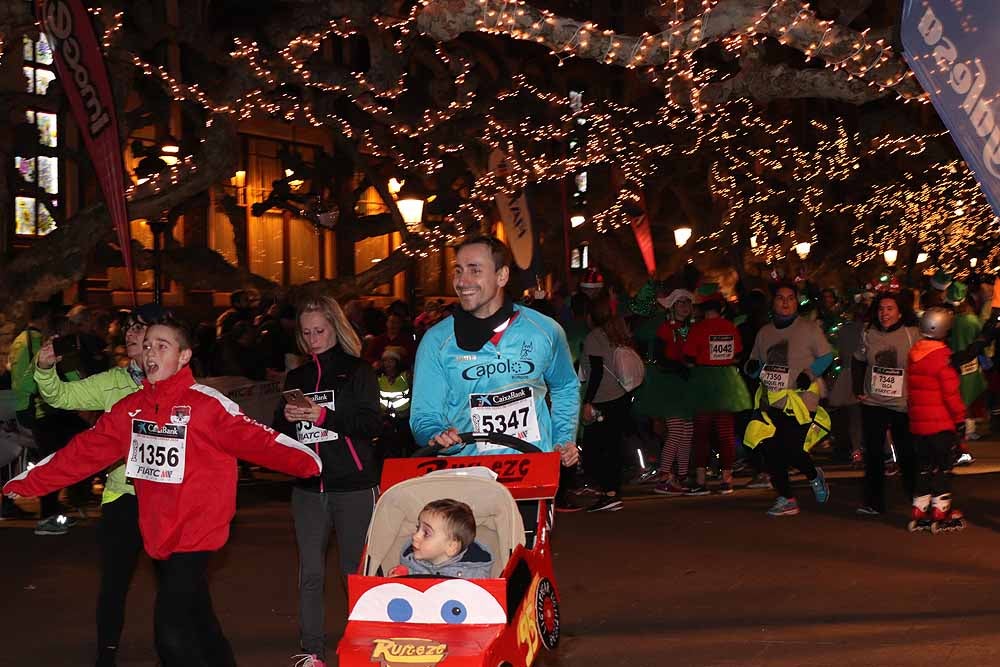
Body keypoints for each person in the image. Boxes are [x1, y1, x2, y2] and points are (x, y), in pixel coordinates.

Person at [4, 316, 322, 667]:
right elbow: (82, 454)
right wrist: (27, 483)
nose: (151, 352)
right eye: (148, 346)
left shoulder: (206, 405)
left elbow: (258, 440)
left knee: (170, 632)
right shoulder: (131, 409)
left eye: (162, 345)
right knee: (199, 619)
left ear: (184, 357)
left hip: (198, 532)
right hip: (157, 531)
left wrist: (311, 462)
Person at [408, 235, 580, 538]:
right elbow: (423, 415)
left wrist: (564, 438)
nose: (462, 281)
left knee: (525, 571)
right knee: (474, 574)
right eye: (458, 270)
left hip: (531, 472)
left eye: (475, 269)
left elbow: (566, 386)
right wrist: (437, 433)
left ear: (502, 275)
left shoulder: (545, 331)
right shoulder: (437, 341)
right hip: (467, 477)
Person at [33, 303, 165, 667]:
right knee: (114, 583)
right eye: (129, 329)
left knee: (174, 585)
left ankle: (173, 648)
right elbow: (61, 396)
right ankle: (106, 652)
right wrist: (45, 369)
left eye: (140, 329)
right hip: (123, 496)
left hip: (169, 500)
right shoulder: (113, 381)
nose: (132, 335)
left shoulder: (181, 384)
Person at [273, 294, 381, 667]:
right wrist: (288, 418)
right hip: (308, 487)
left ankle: (362, 645)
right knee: (311, 573)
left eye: (320, 330)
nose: (314, 338)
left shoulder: (358, 371)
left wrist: (323, 416)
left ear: (335, 327)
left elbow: (371, 424)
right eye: (307, 333)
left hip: (353, 485)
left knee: (356, 570)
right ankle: (312, 650)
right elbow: (279, 432)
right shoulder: (297, 376)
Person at [744, 282, 832, 517]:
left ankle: (814, 475)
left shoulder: (809, 328)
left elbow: (826, 356)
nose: (785, 302)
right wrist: (752, 367)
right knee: (771, 449)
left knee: (792, 449)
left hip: (802, 399)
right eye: (780, 298)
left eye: (790, 298)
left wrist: (809, 374)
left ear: (796, 301)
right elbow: (757, 363)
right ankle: (786, 498)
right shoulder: (765, 332)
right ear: (773, 303)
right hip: (773, 399)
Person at [10, 301, 90, 535]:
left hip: (44, 409)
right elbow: (30, 379)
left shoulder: (22, 341)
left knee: (55, 460)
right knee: (54, 461)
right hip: (46, 410)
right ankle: (50, 515)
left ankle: (54, 511)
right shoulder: (38, 343)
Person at [851, 293, 919, 516]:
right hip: (873, 402)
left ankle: (916, 497)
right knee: (873, 454)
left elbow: (922, 365)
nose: (884, 313)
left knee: (906, 452)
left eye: (890, 308)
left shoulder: (912, 333)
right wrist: (858, 389)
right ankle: (874, 502)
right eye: (881, 308)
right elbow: (858, 360)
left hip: (902, 404)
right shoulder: (868, 332)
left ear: (900, 311)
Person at [682, 286, 751, 495]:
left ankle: (701, 481)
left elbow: (688, 356)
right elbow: (739, 354)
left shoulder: (698, 329)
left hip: (704, 381)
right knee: (726, 433)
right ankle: (727, 479)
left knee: (701, 434)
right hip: (727, 381)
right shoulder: (731, 327)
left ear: (703, 308)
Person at [907, 307, 967, 531]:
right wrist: (960, 419)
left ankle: (919, 508)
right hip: (941, 425)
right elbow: (951, 394)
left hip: (918, 426)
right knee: (943, 467)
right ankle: (940, 510)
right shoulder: (943, 358)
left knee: (924, 467)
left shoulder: (914, 354)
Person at [578, 294, 631, 512]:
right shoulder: (617, 333)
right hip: (621, 396)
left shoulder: (594, 337)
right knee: (612, 447)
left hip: (603, 398)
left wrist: (587, 401)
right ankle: (613, 491)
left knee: (595, 449)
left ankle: (609, 493)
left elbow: (596, 372)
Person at [648, 289, 695, 496]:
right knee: (676, 430)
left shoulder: (691, 329)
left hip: (687, 385)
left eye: (687, 303)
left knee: (687, 431)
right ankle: (664, 476)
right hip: (670, 385)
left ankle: (681, 476)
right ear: (672, 307)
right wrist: (680, 366)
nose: (684, 307)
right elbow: (659, 359)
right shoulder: (666, 329)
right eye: (680, 303)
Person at [390, 499, 494, 579]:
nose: (415, 536)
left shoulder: (474, 576)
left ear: (451, 547)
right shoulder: (411, 563)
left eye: (426, 533)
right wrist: (399, 582)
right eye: (418, 528)